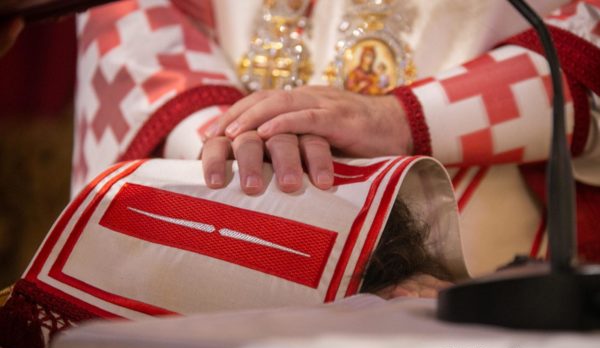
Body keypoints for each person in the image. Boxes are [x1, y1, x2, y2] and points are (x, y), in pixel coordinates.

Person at [72, 0, 600, 278]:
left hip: (477, 296)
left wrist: (401, 118)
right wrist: (229, 137)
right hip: (228, 262)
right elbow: (132, 17)